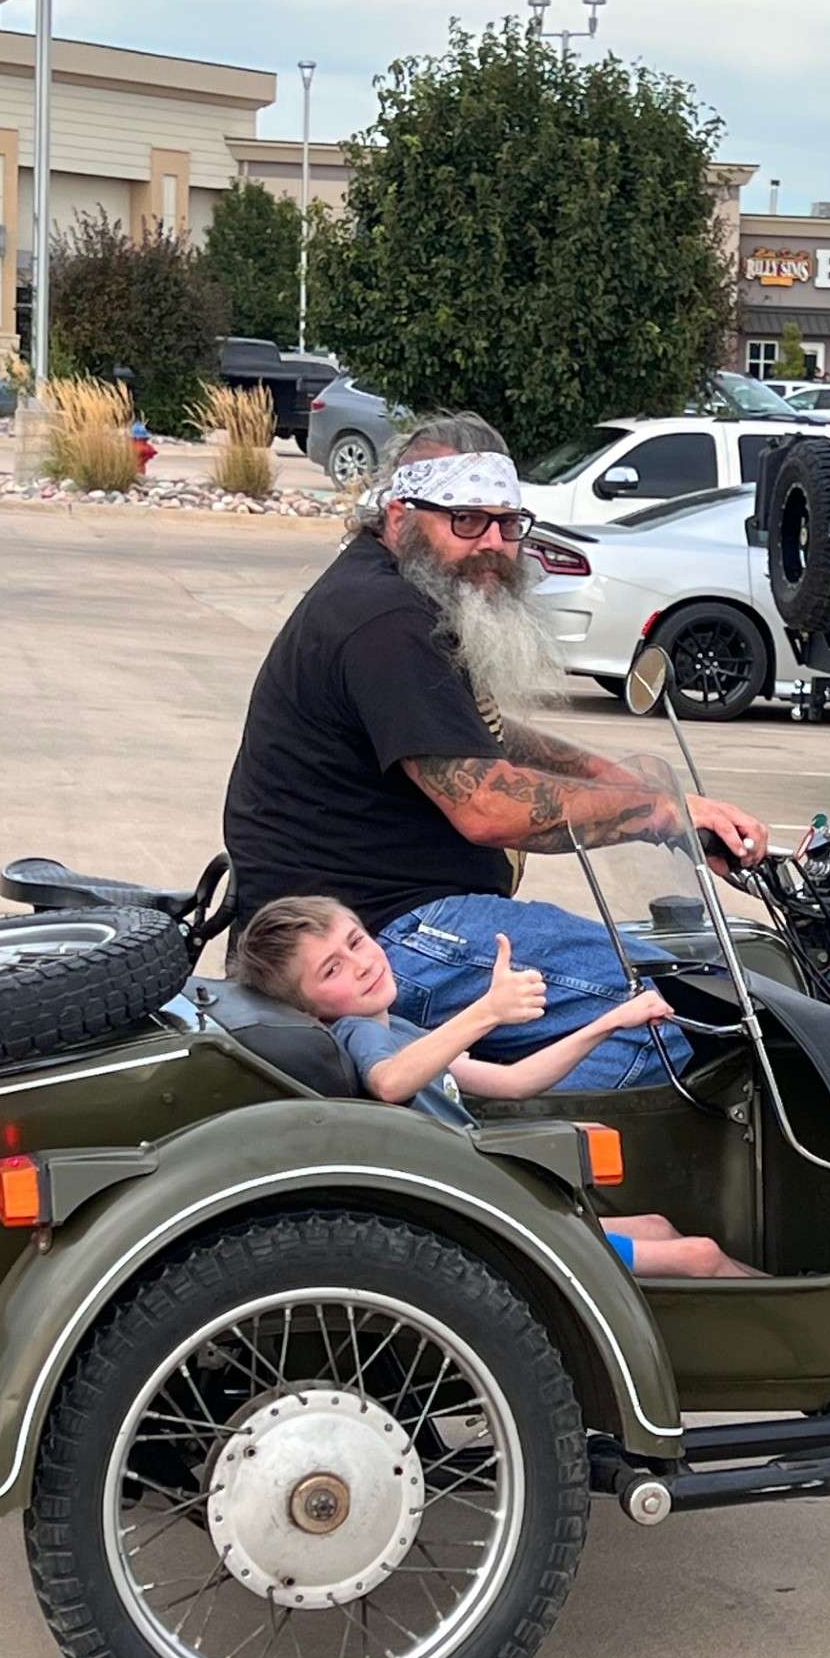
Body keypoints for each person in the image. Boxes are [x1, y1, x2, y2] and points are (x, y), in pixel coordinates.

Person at [223, 409, 769, 1092]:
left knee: (671, 985)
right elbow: (486, 807)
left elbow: (487, 736)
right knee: (676, 1016)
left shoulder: (398, 592)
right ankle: (502, 1141)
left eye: (509, 524)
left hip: (374, 920)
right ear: (401, 515)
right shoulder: (386, 621)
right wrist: (657, 813)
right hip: (375, 938)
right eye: (466, 521)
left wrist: (636, 788)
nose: (493, 545)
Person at [234, 894, 756, 1279]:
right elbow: (390, 1082)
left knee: (661, 1228)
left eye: (356, 941)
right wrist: (487, 1010)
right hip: (481, 1221)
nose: (361, 963)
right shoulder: (359, 1033)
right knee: (699, 1256)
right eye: (332, 970)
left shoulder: (399, 1030)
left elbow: (513, 1082)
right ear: (312, 1009)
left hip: (489, 1205)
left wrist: (610, 1022)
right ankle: (801, 1351)